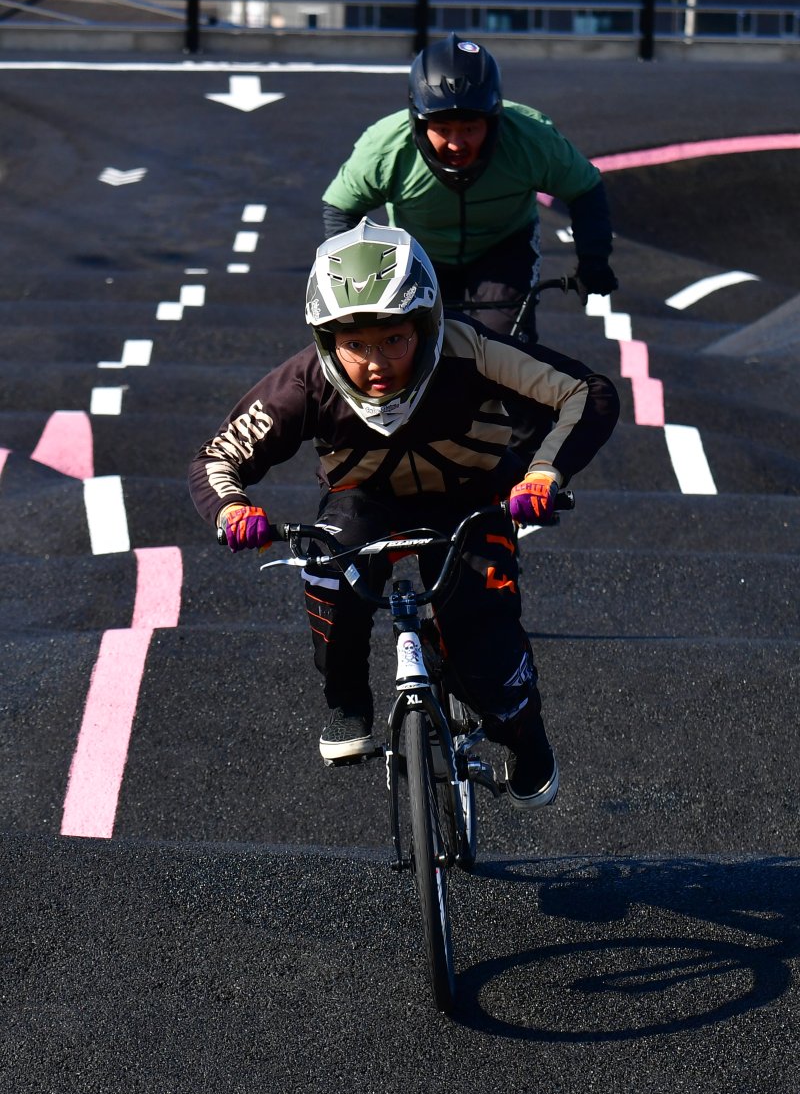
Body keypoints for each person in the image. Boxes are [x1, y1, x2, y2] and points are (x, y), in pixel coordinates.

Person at [188, 220, 619, 811]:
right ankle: (347, 702)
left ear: (427, 325)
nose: (375, 363)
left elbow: (587, 391)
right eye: (355, 344)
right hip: (364, 503)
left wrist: (544, 472)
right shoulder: (306, 381)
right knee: (328, 571)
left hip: (473, 498)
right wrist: (232, 508)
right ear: (326, 340)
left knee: (486, 649)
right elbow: (217, 458)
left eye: (394, 338)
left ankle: (526, 736)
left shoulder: (471, 349)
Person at [321, 31, 618, 344]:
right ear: (419, 122)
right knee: (414, 347)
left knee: (506, 348)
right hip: (419, 251)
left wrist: (593, 261)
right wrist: (354, 280)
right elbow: (341, 209)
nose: (456, 144)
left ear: (493, 121)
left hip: (503, 247)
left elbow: (585, 189)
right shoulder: (385, 148)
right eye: (442, 129)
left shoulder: (532, 138)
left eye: (470, 128)